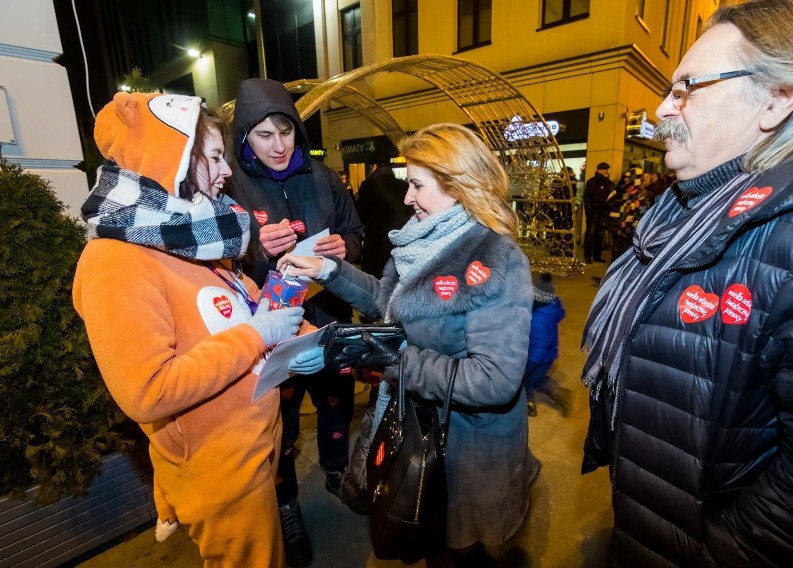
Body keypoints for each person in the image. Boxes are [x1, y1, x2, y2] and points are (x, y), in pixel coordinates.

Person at [580, 0, 793, 566]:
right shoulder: (687, 212)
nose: (661, 109)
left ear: (778, 98)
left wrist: (716, 550)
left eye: (686, 88)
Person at [72, 92, 325, 567]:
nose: (227, 171)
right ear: (174, 163)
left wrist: (298, 334)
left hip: (250, 453)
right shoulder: (115, 260)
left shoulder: (190, 233)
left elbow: (237, 306)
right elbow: (148, 390)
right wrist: (258, 336)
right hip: (218, 475)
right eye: (212, 158)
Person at [280, 123, 539, 566]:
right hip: (423, 429)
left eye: (417, 185)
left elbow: (496, 379)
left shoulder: (497, 258)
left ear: (458, 187)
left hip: (466, 452)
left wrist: (397, 360)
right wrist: (328, 270)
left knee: (455, 551)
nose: (406, 198)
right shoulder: (426, 242)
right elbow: (390, 303)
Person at [228, 78, 364, 567]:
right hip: (271, 333)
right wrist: (256, 251)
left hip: (329, 320)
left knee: (336, 407)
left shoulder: (325, 178)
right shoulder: (230, 186)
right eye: (264, 135)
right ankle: (286, 506)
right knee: (279, 427)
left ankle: (335, 470)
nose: (279, 145)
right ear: (245, 137)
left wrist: (343, 248)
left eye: (285, 131)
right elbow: (220, 266)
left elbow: (355, 231)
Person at [354, 149, 413, 279]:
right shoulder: (403, 185)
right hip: (399, 243)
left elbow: (359, 216)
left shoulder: (369, 185)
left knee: (374, 285)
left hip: (376, 247)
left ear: (374, 166)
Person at [523, 273, 569, 417]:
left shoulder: (539, 320)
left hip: (538, 359)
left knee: (525, 380)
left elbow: (538, 349)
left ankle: (529, 404)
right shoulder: (550, 310)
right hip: (548, 357)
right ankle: (556, 392)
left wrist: (528, 366)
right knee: (538, 380)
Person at [605, 171, 653, 261]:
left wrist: (632, 230)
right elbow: (623, 211)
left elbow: (642, 215)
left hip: (631, 233)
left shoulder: (641, 195)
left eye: (628, 181)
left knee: (625, 257)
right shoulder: (627, 194)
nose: (625, 184)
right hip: (622, 231)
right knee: (617, 255)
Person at [582, 162, 615, 263]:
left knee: (599, 235)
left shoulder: (608, 183)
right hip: (593, 212)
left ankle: (597, 256)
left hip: (603, 212)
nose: (607, 171)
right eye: (605, 169)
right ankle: (587, 256)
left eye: (607, 169)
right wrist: (589, 211)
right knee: (590, 234)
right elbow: (586, 197)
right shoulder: (592, 181)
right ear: (599, 170)